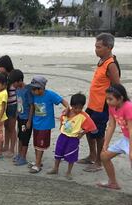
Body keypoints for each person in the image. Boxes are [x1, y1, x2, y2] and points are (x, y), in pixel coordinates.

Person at [78, 33, 121, 172]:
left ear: (109, 47)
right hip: (92, 104)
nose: (96, 49)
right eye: (95, 46)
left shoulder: (111, 64)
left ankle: (99, 161)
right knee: (89, 130)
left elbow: (117, 87)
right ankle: (92, 155)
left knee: (99, 134)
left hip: (102, 106)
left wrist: (115, 107)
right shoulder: (102, 60)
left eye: (99, 47)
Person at [47, 94, 97, 180]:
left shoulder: (84, 116)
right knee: (58, 152)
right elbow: (62, 119)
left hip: (73, 138)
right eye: (75, 107)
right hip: (63, 136)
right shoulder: (67, 112)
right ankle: (55, 168)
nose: (78, 110)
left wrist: (82, 133)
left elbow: (92, 126)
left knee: (72, 155)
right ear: (72, 105)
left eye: (80, 108)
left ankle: (69, 172)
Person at [29, 76, 70, 174]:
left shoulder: (50, 95)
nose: (33, 91)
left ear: (42, 88)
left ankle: (38, 164)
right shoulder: (34, 95)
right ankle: (37, 161)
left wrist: (68, 109)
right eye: (33, 89)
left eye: (35, 89)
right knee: (36, 144)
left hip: (45, 125)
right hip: (36, 123)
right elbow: (32, 108)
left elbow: (62, 101)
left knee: (40, 145)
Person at [99, 84, 132, 190]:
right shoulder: (112, 106)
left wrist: (131, 151)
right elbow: (111, 125)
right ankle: (113, 183)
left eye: (110, 99)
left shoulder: (128, 107)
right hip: (126, 139)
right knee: (104, 156)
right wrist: (105, 144)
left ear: (121, 98)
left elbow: (131, 130)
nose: (108, 101)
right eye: (107, 99)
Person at [9, 70, 34, 166]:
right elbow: (18, 103)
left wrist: (29, 121)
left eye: (14, 83)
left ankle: (23, 157)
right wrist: (16, 115)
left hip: (26, 118)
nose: (13, 85)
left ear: (19, 81)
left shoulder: (27, 90)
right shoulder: (17, 89)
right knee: (20, 136)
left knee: (25, 139)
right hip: (20, 117)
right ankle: (19, 154)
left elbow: (32, 106)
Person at [0, 55, 17, 158]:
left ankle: (12, 149)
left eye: (0, 66)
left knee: (12, 127)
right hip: (5, 105)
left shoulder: (14, 76)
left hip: (13, 105)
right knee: (5, 126)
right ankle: (6, 145)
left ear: (5, 66)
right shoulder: (4, 76)